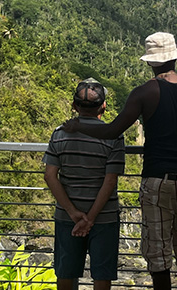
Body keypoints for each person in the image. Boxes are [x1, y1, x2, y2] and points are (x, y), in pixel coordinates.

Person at [62, 32, 177, 290]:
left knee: (158, 256)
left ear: (149, 62)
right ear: (175, 58)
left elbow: (112, 130)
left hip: (157, 181)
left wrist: (78, 126)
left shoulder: (144, 93)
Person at [42, 78, 125, 290]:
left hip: (67, 216)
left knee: (65, 273)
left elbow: (50, 176)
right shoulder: (113, 136)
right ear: (104, 107)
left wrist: (72, 212)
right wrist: (91, 219)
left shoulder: (60, 133)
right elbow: (110, 180)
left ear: (74, 106)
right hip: (104, 216)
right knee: (102, 275)